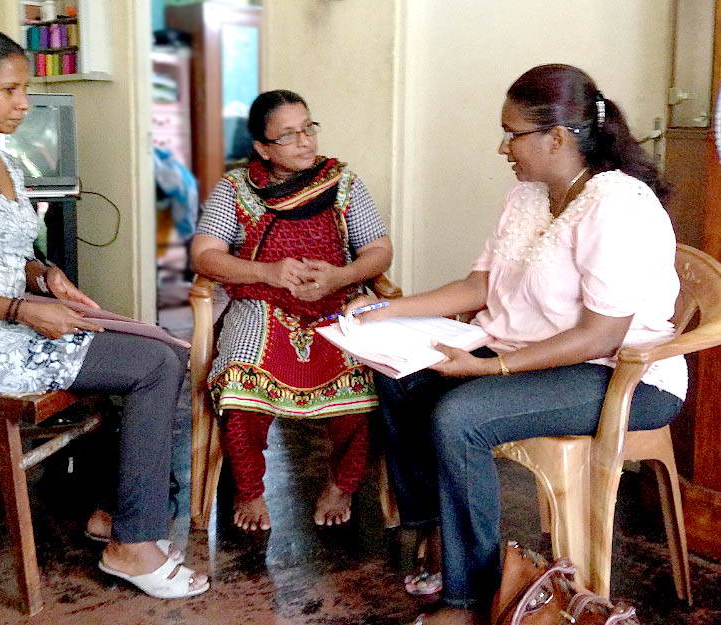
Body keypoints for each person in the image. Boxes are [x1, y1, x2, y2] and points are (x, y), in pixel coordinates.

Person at [346, 64, 685, 624]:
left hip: (621, 371)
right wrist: (386, 309)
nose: (503, 147)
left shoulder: (616, 205)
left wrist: (491, 368)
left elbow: (600, 334)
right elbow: (481, 285)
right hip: (533, 352)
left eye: (512, 133)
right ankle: (438, 534)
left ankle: (470, 598)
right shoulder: (530, 194)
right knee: (397, 374)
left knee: (460, 418)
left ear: (557, 137)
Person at [0, 27, 208, 599]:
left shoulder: (2, 159)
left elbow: (8, 253)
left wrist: (46, 276)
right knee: (154, 366)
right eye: (10, 90)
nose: (23, 103)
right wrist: (25, 309)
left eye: (26, 89)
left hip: (14, 322)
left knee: (165, 348)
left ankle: (113, 513)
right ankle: (132, 543)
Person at [190, 90, 393, 530]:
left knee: (369, 375)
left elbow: (378, 251)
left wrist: (341, 276)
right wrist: (265, 272)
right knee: (240, 373)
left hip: (338, 302)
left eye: (308, 128)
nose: (304, 141)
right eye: (288, 135)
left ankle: (341, 483)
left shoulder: (343, 182)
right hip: (263, 302)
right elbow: (205, 255)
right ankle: (250, 489)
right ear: (263, 148)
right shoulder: (237, 190)